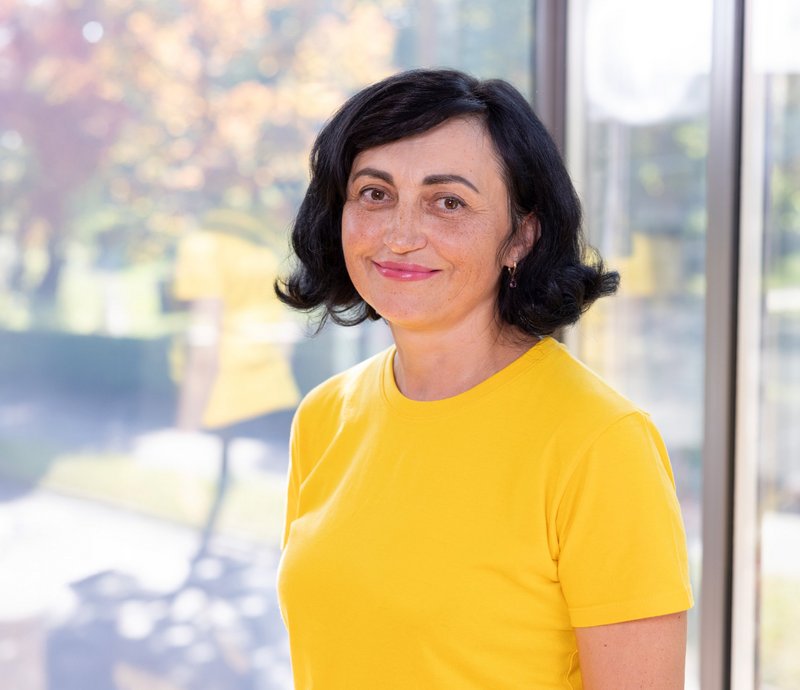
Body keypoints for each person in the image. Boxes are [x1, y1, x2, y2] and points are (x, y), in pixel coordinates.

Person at [274, 68, 693, 690]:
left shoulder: (601, 444)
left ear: (520, 236)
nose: (401, 235)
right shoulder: (325, 415)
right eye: (374, 193)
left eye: (449, 202)